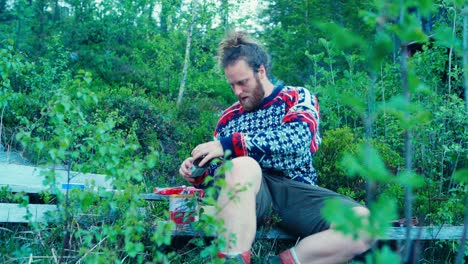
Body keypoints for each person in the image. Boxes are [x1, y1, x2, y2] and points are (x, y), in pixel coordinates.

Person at [179, 30, 371, 264]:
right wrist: (197, 173)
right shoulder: (227, 118)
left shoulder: (298, 97)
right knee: (242, 166)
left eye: (243, 82)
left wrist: (231, 145)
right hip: (250, 195)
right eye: (232, 85)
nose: (238, 92)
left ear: (261, 72)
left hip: (296, 192)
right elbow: (219, 179)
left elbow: (298, 141)